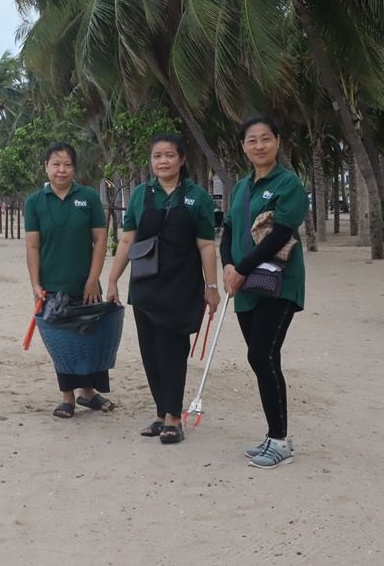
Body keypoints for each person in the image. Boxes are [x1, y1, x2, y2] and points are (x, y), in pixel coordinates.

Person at [107, 132, 219, 444]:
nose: (163, 161)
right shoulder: (141, 195)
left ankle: (173, 418)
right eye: (157, 156)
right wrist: (113, 280)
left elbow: (206, 245)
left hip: (182, 287)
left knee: (172, 351)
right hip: (145, 286)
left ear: (182, 159)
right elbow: (127, 240)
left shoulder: (198, 197)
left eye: (170, 155)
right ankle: (160, 414)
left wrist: (212, 286)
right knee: (151, 352)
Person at [221, 116, 307, 469]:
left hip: (278, 284)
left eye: (266, 139)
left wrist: (241, 268)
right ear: (243, 147)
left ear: (278, 141)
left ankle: (280, 441)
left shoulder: (288, 183)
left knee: (260, 356)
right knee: (266, 359)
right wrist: (228, 265)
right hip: (245, 285)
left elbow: (281, 233)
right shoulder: (242, 187)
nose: (259, 146)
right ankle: (275, 436)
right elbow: (228, 229)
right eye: (252, 140)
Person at [24, 142, 113, 419]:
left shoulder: (88, 197)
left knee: (90, 338)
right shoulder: (34, 202)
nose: (61, 170)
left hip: (86, 284)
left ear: (74, 168)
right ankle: (68, 397)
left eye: (67, 165)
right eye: (56, 164)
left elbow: (100, 240)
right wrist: (35, 284)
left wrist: (93, 279)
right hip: (52, 286)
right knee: (62, 343)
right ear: (46, 167)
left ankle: (89, 392)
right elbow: (33, 246)